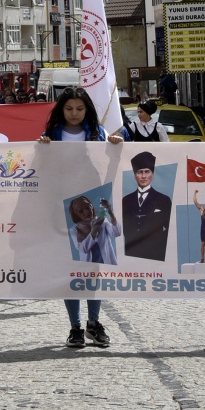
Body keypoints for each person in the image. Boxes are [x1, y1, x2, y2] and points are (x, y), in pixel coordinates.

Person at [39, 87, 121, 348]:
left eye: (80, 109)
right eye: (69, 108)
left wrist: (115, 146)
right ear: (61, 110)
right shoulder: (50, 135)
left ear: (87, 110)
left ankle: (93, 323)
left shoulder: (99, 133)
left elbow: (112, 158)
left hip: (91, 202)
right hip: (63, 206)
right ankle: (75, 326)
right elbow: (40, 168)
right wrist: (41, 149)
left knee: (93, 266)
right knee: (70, 268)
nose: (74, 113)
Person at [121, 150, 172, 262]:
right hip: (131, 253)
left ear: (152, 175)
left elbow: (169, 229)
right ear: (135, 176)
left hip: (156, 254)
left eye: (147, 172)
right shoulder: (125, 200)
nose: (143, 176)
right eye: (140, 172)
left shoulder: (164, 200)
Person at [68, 193, 121, 264]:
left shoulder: (102, 220)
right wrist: (94, 230)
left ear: (91, 206)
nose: (86, 212)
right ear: (76, 214)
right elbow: (83, 249)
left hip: (108, 265)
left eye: (87, 207)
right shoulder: (74, 231)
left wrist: (110, 212)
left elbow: (117, 233)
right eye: (81, 211)